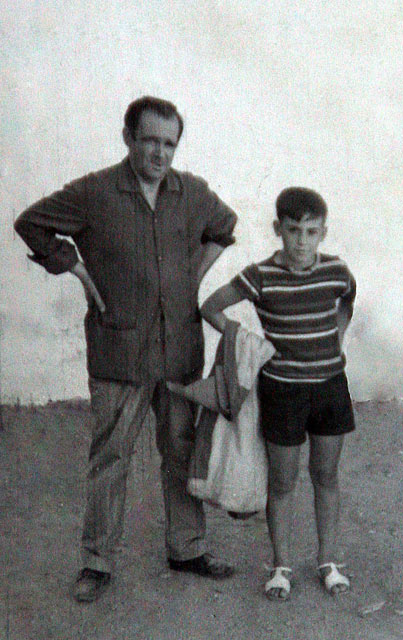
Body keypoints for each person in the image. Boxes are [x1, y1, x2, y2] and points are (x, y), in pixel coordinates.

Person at [14, 96, 238, 602]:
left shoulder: (193, 192)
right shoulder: (94, 193)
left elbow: (224, 228)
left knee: (179, 451)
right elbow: (30, 222)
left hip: (179, 349)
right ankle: (97, 561)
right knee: (111, 455)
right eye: (150, 140)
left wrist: (191, 280)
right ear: (128, 138)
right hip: (119, 348)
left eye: (169, 143)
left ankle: (187, 549)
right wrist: (74, 268)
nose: (159, 153)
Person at [200, 187, 356, 600]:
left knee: (325, 475)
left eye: (311, 231)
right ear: (278, 229)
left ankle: (328, 560)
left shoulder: (337, 270)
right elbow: (211, 307)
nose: (302, 241)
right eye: (293, 230)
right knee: (283, 482)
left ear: (323, 232)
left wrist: (336, 338)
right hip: (283, 392)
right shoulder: (261, 275)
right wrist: (250, 344)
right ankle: (281, 566)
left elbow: (346, 300)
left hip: (330, 388)